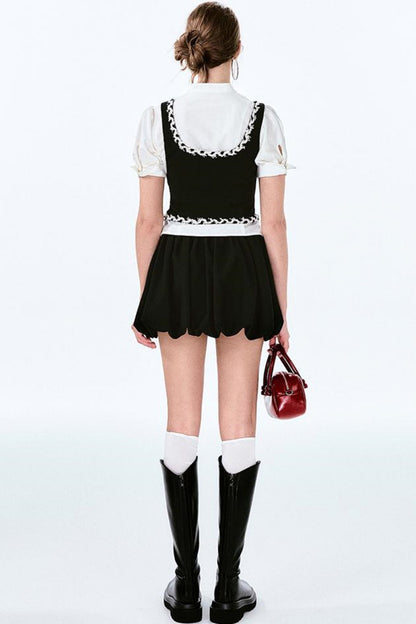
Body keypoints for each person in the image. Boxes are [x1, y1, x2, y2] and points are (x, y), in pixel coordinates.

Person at [130, 3, 295, 622]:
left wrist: (150, 299)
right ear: (237, 50)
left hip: (178, 268)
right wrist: (280, 309)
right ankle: (228, 587)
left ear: (191, 49)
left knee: (181, 424)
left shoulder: (157, 118)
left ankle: (186, 586)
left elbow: (149, 221)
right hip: (243, 268)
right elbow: (273, 222)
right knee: (238, 428)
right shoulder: (263, 118)